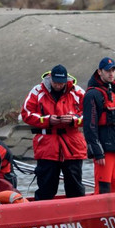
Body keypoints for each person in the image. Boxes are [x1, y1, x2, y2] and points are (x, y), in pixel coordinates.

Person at [21, 64, 87, 200]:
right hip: (47, 146)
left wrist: (74, 120)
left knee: (75, 187)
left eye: (61, 83)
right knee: (46, 187)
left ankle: (77, 216)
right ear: (50, 79)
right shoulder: (37, 91)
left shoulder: (77, 92)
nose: (58, 85)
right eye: (56, 82)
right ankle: (42, 217)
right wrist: (48, 120)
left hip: (72, 145)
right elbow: (26, 113)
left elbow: (90, 113)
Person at [83, 57, 115, 194]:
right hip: (105, 150)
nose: (111, 73)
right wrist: (97, 152)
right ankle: (103, 214)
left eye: (113, 70)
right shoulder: (92, 95)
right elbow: (89, 126)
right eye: (107, 71)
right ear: (100, 72)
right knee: (104, 187)